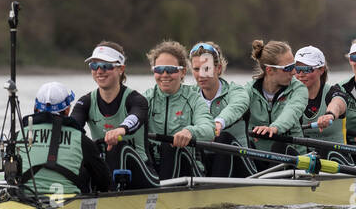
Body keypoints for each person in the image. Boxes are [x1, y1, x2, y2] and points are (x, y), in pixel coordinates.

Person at [70, 41, 152, 189]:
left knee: (117, 147)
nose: (99, 71)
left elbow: (136, 117)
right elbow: (71, 127)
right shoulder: (85, 102)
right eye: (94, 66)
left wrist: (120, 130)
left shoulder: (137, 100)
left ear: (121, 69)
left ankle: (110, 196)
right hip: (105, 171)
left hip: (142, 173)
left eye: (106, 66)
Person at [16, 81, 111, 200]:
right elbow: (104, 180)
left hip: (25, 200)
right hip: (68, 204)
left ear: (36, 108)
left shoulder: (19, 135)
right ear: (67, 110)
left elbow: (8, 176)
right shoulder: (81, 139)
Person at [143, 40, 217, 179]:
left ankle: (162, 195)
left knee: (170, 147)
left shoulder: (194, 99)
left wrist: (190, 131)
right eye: (159, 70)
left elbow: (209, 129)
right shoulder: (146, 98)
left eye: (170, 70)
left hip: (187, 168)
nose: (164, 74)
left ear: (182, 72)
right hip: (153, 166)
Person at [239, 39, 308, 173]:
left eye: (294, 65)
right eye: (288, 68)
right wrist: (218, 123)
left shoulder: (299, 89)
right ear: (270, 70)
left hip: (294, 159)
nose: (294, 72)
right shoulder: (248, 90)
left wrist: (275, 128)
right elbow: (235, 107)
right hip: (258, 158)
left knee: (280, 146)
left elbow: (291, 111)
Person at [189, 40, 249, 176]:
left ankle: (212, 191)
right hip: (204, 162)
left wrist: (218, 123)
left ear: (219, 68)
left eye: (207, 69)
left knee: (223, 137)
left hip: (239, 164)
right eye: (196, 69)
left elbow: (235, 107)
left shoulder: (236, 91)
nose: (201, 75)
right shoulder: (189, 95)